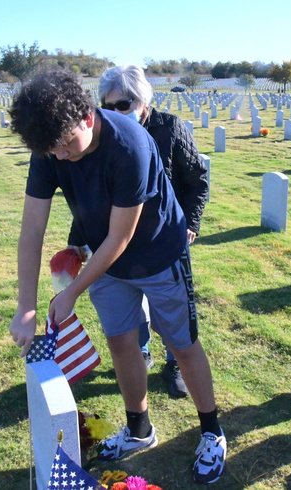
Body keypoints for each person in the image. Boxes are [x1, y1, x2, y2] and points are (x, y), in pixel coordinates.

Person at [8, 67, 226, 484]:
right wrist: (26, 307)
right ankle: (138, 429)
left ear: (87, 116)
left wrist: (72, 290)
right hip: (102, 258)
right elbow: (32, 229)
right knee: (122, 342)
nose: (62, 157)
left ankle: (212, 431)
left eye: (67, 146)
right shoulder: (51, 143)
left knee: (182, 344)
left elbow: (121, 237)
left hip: (158, 254)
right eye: (52, 152)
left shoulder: (130, 143)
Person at [70, 65, 207, 398]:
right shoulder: (100, 140)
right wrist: (77, 242)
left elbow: (197, 181)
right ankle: (140, 351)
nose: (115, 111)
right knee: (128, 314)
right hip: (117, 243)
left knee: (174, 318)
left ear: (144, 103)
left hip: (163, 238)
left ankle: (174, 363)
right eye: (107, 104)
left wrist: (190, 223)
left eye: (124, 104)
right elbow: (89, 198)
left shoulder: (170, 128)